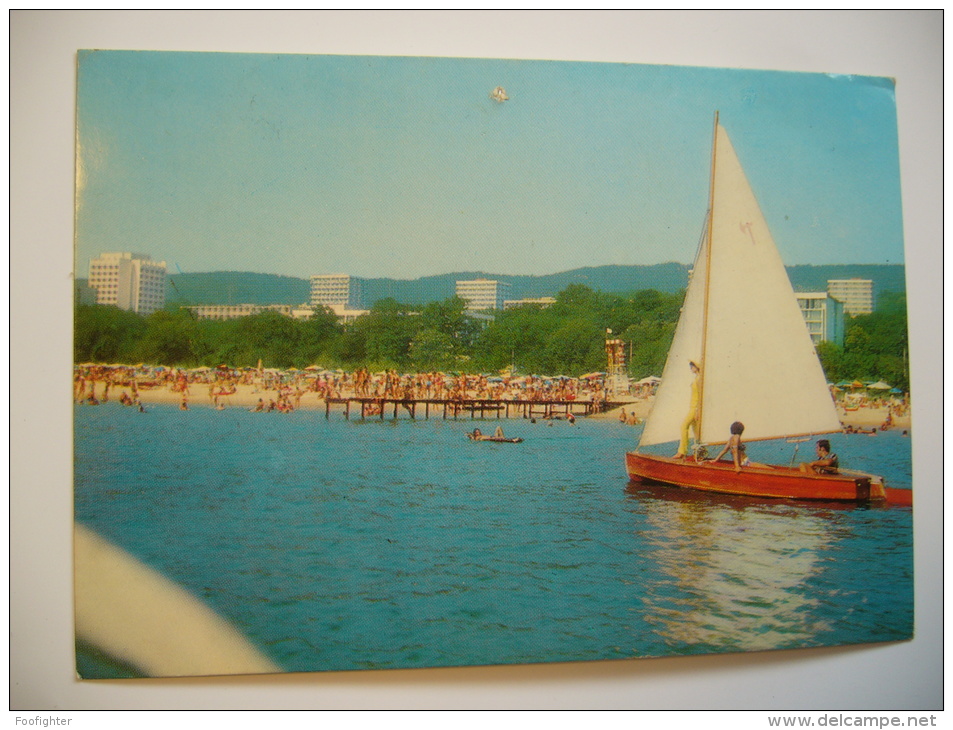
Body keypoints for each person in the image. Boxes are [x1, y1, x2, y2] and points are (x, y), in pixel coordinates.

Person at [675, 361, 701, 458]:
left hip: (695, 408)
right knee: (696, 431)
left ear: (696, 367)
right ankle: (699, 451)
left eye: (692, 366)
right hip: (693, 406)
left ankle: (682, 451)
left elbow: (700, 395)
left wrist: (698, 410)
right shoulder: (696, 378)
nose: (690, 368)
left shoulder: (699, 379)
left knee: (684, 426)